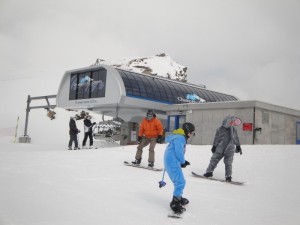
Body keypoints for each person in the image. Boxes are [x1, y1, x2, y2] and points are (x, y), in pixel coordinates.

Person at [164, 122, 195, 214]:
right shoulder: (181, 138)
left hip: (171, 161)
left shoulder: (179, 136)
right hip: (172, 162)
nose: (191, 134)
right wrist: (182, 162)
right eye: (191, 132)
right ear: (187, 131)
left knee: (179, 181)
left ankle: (178, 197)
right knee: (180, 182)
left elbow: (177, 151)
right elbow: (179, 152)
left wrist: (182, 162)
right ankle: (175, 202)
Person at [203, 115, 242, 182]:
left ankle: (228, 176)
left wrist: (238, 146)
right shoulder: (220, 129)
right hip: (220, 148)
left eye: (233, 123)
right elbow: (216, 138)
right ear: (226, 122)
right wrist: (214, 146)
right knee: (214, 160)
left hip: (230, 148)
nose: (232, 124)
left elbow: (236, 138)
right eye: (230, 122)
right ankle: (209, 172)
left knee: (228, 162)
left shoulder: (233, 129)